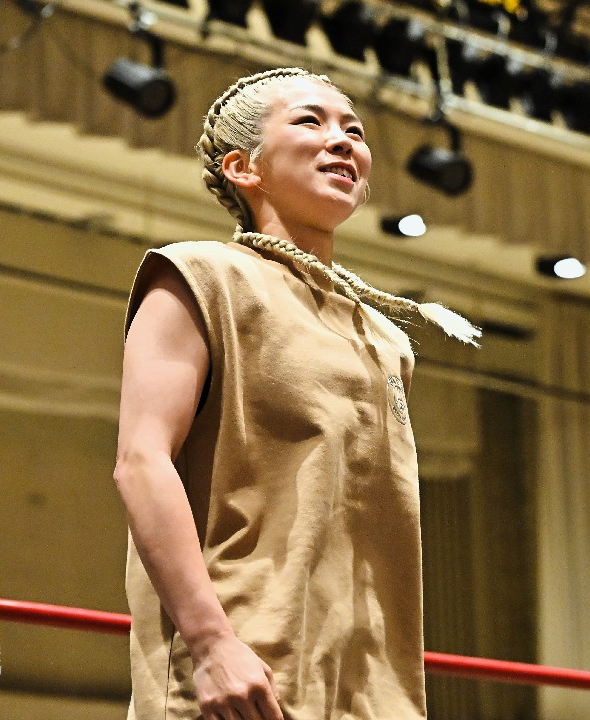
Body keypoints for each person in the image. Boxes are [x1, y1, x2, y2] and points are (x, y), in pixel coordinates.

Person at [114, 66, 480, 720]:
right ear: (243, 167)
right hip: (243, 674)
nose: (343, 141)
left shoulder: (383, 338)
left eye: (354, 131)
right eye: (311, 121)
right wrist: (210, 642)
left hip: (378, 693)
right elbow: (141, 462)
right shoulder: (198, 276)